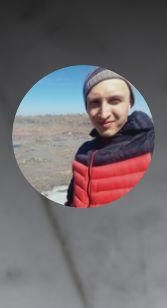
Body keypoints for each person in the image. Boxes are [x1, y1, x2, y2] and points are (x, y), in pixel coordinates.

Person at [65, 68, 154, 208]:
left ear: (130, 102)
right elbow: (71, 200)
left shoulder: (150, 144)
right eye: (95, 102)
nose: (104, 114)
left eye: (114, 100)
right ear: (87, 108)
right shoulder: (83, 152)